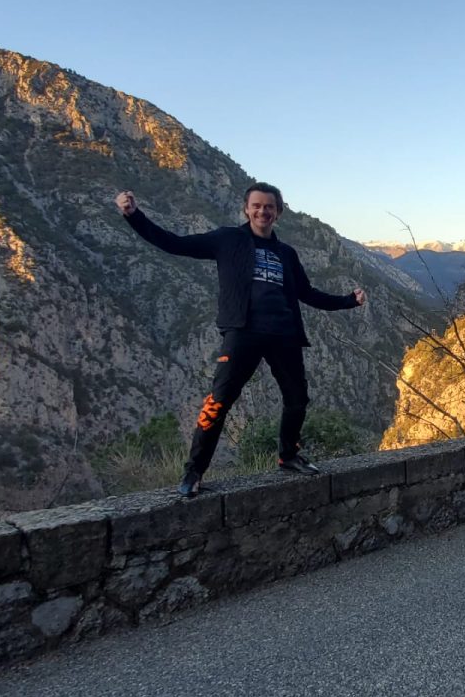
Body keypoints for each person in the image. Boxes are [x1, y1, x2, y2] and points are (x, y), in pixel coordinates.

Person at [115, 183, 366, 498]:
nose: (263, 211)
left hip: (285, 334)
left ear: (278, 212)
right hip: (243, 332)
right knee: (218, 402)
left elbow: (308, 293)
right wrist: (134, 216)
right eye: (256, 205)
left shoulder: (287, 254)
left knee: (297, 399)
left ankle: (288, 456)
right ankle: (194, 471)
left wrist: (348, 301)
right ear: (246, 209)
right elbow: (173, 243)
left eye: (269, 206)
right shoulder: (227, 239)